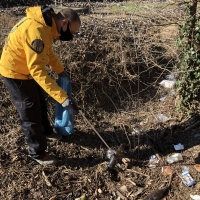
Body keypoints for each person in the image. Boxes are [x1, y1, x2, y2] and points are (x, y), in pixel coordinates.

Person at [0, 6, 81, 165]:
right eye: (72, 32)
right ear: (64, 23)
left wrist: (60, 71)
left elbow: (47, 52)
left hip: (26, 69)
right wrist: (63, 98)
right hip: (15, 72)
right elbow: (37, 70)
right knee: (30, 111)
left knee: (39, 101)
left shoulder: (48, 26)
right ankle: (37, 152)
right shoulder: (37, 31)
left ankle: (46, 131)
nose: (72, 36)